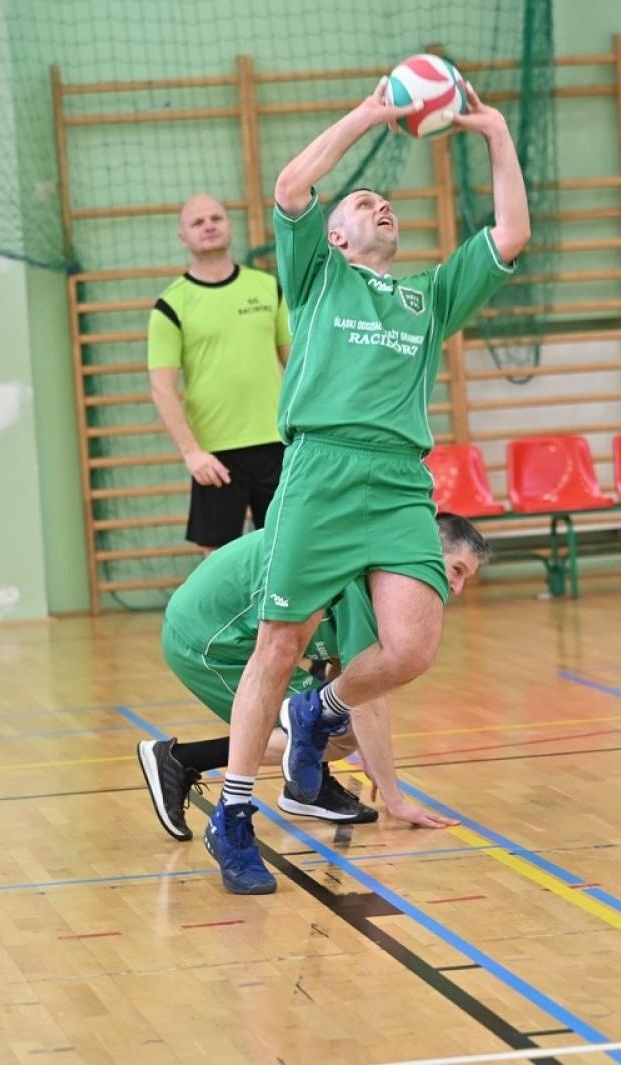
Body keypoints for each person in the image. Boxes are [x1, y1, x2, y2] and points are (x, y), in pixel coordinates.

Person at [204, 79, 529, 894]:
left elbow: (512, 233)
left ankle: (322, 712)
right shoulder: (318, 273)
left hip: (397, 479)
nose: (379, 206)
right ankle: (235, 813)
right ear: (338, 237)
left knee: (413, 644)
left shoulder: (426, 296)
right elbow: (290, 188)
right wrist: (373, 113)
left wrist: (493, 133)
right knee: (279, 646)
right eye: (363, 203)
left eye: (386, 202)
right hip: (320, 468)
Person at [138, 513, 490, 851]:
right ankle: (180, 760)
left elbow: (345, 676)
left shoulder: (374, 551)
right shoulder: (367, 572)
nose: (457, 588)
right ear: (426, 550)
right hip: (208, 642)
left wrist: (372, 752)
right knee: (333, 730)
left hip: (219, 629)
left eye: (465, 579)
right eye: (456, 570)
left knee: (331, 717)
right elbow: (367, 698)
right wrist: (394, 799)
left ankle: (308, 789)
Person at [149, 194, 292, 551]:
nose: (209, 225)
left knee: (287, 556)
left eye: (216, 218)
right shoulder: (171, 304)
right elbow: (162, 389)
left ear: (230, 227)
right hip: (215, 455)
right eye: (197, 222)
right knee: (218, 566)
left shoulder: (267, 287)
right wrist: (191, 452)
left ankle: (275, 612)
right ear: (183, 237)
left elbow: (298, 367)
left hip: (277, 445)